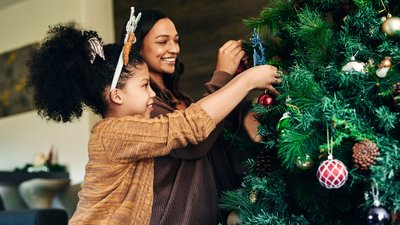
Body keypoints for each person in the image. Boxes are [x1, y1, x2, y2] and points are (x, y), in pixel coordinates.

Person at [26, 19, 279, 225]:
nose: (151, 93)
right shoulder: (113, 133)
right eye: (145, 86)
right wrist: (246, 81)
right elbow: (187, 126)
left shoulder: (134, 128)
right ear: (117, 95)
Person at [127, 9, 275, 224]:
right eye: (163, 41)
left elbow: (218, 138)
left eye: (176, 41)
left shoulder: (182, 98)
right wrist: (223, 76)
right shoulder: (144, 107)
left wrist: (240, 83)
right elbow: (193, 141)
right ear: (137, 47)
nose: (174, 49)